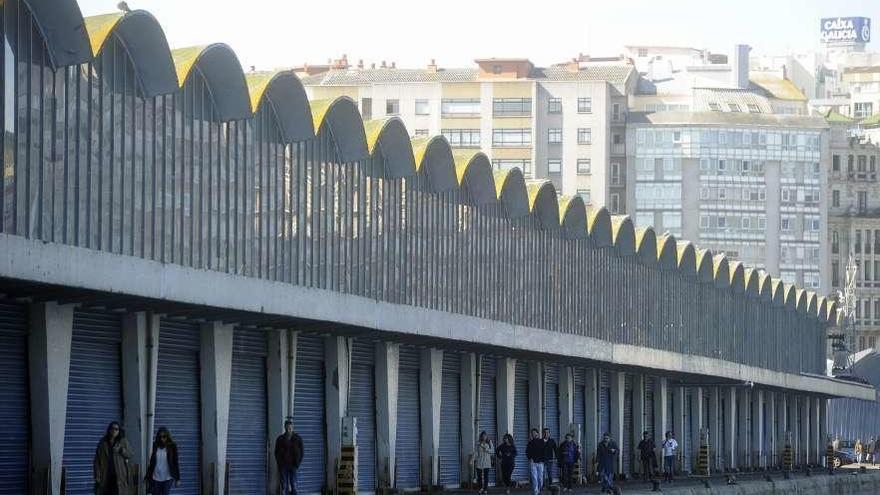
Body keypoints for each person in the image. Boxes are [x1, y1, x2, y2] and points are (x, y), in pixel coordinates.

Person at [93, 421, 133, 495]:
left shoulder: (123, 441)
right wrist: (97, 475)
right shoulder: (103, 443)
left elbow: (130, 454)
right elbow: (97, 461)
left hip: (119, 476)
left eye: (116, 429)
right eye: (112, 428)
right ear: (109, 430)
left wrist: (121, 450)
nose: (114, 431)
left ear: (119, 431)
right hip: (105, 476)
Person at [145, 427, 180, 495]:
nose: (162, 439)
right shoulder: (155, 445)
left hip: (168, 477)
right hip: (156, 477)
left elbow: (176, 462)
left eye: (164, 436)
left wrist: (178, 479)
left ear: (168, 436)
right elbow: (152, 462)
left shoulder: (172, 446)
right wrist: (147, 476)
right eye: (160, 436)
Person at [274, 418, 304, 495]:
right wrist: (279, 463)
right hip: (283, 466)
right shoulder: (280, 439)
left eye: (290, 428)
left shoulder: (297, 438)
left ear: (292, 428)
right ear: (284, 428)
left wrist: (298, 463)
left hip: (294, 465)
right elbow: (276, 452)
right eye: (287, 428)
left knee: (294, 485)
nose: (288, 430)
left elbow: (302, 452)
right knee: (284, 486)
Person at [526, 429, 546, 495]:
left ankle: (539, 489)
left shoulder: (542, 441)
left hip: (540, 462)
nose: (533, 434)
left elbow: (544, 451)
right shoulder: (530, 442)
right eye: (532, 433)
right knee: (534, 477)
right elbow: (527, 452)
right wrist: (530, 458)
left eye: (534, 433)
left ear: (537, 433)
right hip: (533, 462)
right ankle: (536, 492)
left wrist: (543, 460)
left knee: (540, 478)